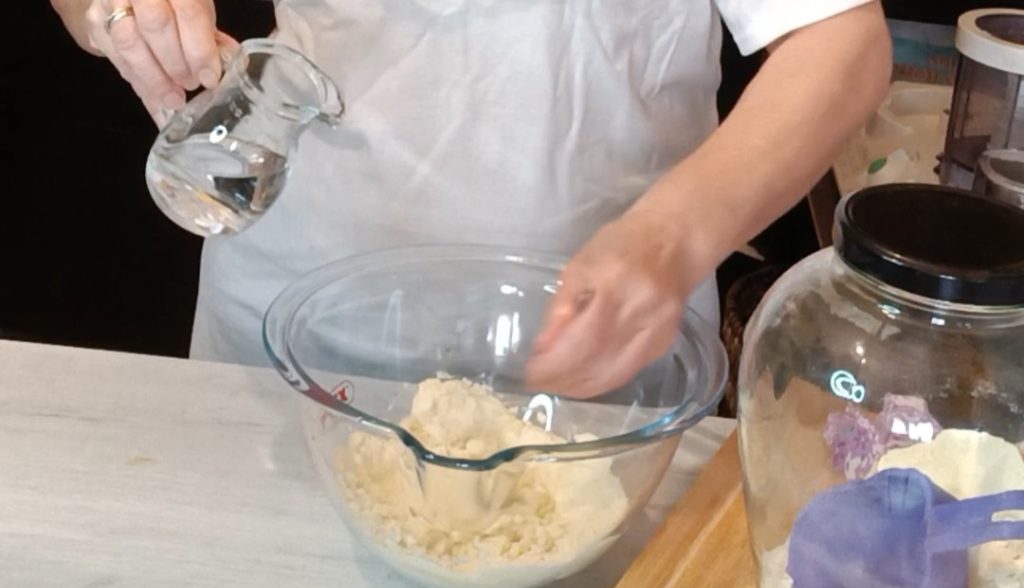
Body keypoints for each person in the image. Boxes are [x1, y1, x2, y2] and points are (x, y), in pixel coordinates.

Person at [51, 0, 892, 399]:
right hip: (285, 338)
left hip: (583, 359)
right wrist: (112, 12)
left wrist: (674, 236)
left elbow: (842, 43)